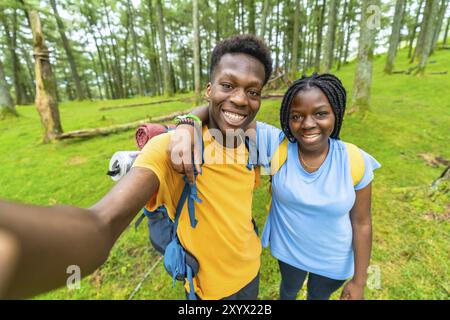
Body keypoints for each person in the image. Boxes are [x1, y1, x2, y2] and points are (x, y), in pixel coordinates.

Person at [0, 34, 272, 300]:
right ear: (209, 89)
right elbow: (102, 222)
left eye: (253, 91)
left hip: (251, 270)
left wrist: (188, 118)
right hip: (210, 289)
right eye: (227, 85)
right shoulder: (173, 148)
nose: (240, 99)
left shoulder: (250, 141)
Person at [169, 73, 381, 300]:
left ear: (336, 114)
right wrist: (188, 123)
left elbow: (362, 223)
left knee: (318, 297)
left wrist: (359, 281)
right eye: (297, 116)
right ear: (287, 119)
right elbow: (227, 112)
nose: (308, 124)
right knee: (288, 292)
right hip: (289, 253)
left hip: (334, 260)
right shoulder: (275, 144)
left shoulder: (355, 160)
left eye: (320, 114)